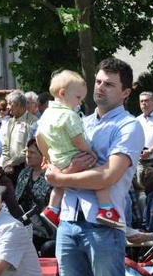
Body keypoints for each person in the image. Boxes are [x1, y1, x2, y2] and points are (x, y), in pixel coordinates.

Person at [42, 58, 145, 276]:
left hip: (103, 224)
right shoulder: (79, 121)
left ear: (126, 92)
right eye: (98, 81)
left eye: (110, 84)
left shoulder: (130, 127)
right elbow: (51, 162)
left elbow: (107, 177)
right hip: (69, 221)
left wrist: (61, 179)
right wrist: (58, 172)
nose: (100, 87)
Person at [36, 69, 123, 229]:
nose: (79, 102)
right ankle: (106, 210)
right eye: (78, 98)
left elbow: (38, 137)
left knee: (59, 185)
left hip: (57, 160)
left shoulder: (46, 114)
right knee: (99, 177)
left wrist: (46, 156)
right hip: (75, 156)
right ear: (63, 93)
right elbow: (78, 140)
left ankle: (52, 209)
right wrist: (90, 152)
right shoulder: (69, 115)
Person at [15, 139, 54, 251]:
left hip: (45, 228)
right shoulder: (24, 173)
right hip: (24, 224)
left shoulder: (51, 175)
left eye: (32, 153)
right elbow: (17, 200)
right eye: (27, 152)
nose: (28, 155)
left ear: (44, 155)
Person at [0, 90, 38, 182]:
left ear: (18, 105)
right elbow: (6, 144)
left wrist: (11, 163)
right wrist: (6, 161)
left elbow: (29, 148)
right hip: (8, 168)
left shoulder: (33, 122)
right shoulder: (10, 121)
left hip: (25, 167)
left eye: (10, 104)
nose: (8, 107)